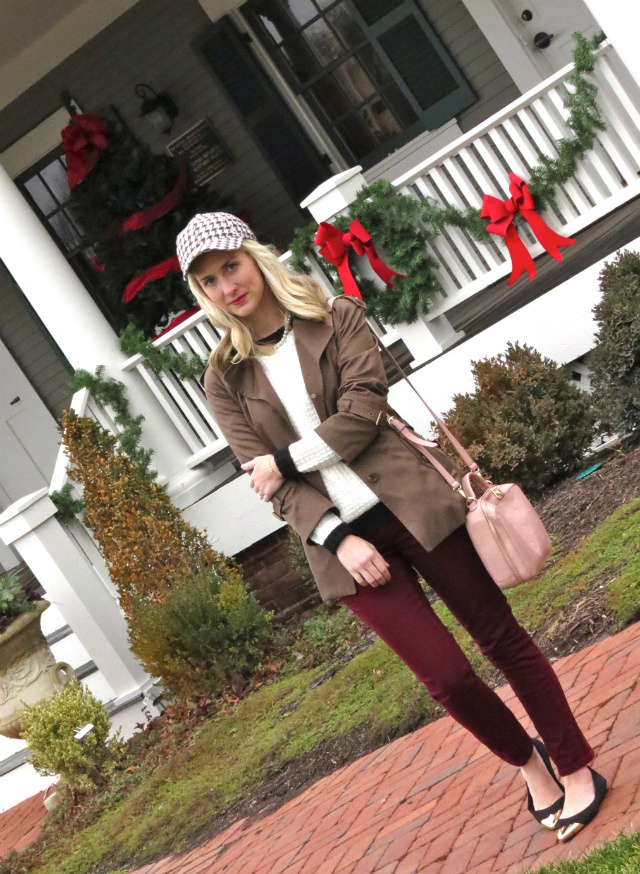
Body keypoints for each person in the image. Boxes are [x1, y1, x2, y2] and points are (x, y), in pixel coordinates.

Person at [176, 212, 607, 843]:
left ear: (255, 258)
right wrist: (334, 537)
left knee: (501, 639)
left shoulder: (337, 315)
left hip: (412, 502)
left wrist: (287, 460)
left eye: (231, 267)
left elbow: (362, 411)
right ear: (202, 294)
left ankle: (576, 766)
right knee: (446, 677)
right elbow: (267, 485)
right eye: (209, 281)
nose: (226, 288)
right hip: (342, 544)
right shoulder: (223, 376)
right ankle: (530, 763)